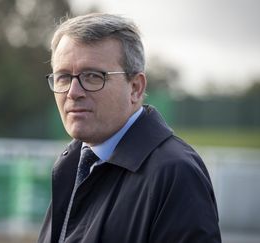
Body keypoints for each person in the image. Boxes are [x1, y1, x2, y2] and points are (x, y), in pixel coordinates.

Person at [38, 13, 221, 243]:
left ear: (135, 88)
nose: (73, 92)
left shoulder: (175, 173)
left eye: (93, 76)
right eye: (63, 77)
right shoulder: (72, 164)